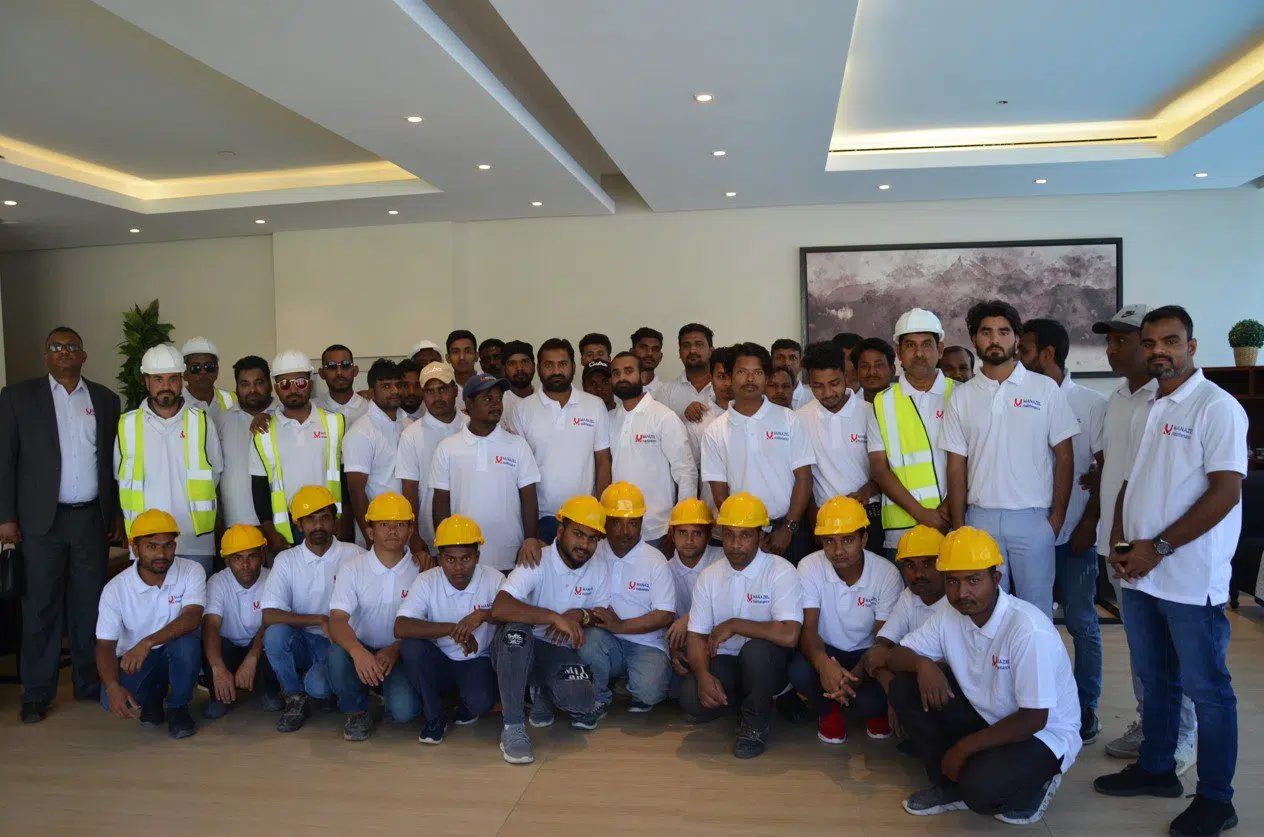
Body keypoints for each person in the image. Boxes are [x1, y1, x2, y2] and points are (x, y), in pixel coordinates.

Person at [1093, 306, 1246, 837]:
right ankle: (1157, 769)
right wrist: (1120, 541)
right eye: (1151, 342)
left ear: (1192, 346)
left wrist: (1156, 548)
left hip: (1189, 578)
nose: (1159, 350)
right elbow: (1128, 483)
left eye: (1171, 341)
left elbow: (1225, 493)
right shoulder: (1147, 406)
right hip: (1142, 572)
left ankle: (1217, 799)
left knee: (1208, 691)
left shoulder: (1216, 407)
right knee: (1155, 679)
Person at [876, 527, 1080, 825]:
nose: (962, 593)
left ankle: (1039, 782)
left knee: (981, 791)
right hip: (987, 714)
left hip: (1041, 734)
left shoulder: (1026, 629)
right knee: (904, 687)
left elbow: (1035, 718)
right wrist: (923, 665)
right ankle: (947, 786)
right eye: (953, 581)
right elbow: (895, 656)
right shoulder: (951, 615)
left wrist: (963, 749)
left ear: (995, 579)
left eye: (973, 580)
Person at [1090, 305, 1197, 771]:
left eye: (1123, 339)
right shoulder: (1116, 399)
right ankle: (1152, 724)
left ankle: (1183, 734)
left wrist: (1152, 544)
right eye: (1109, 340)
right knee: (1143, 649)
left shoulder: (1168, 398)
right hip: (1117, 544)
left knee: (1174, 651)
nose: (1112, 349)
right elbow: (1114, 470)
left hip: (1158, 549)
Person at [0, 325, 121, 722]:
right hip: (40, 524)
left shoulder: (105, 399)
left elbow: (114, 463)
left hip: (90, 520)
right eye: (56, 346)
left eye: (72, 346)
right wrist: (6, 518)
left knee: (89, 606)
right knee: (40, 608)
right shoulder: (17, 398)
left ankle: (89, 682)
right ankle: (37, 693)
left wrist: (115, 514)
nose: (64, 351)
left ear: (83, 355)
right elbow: (5, 461)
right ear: (46, 355)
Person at [940, 300, 1078, 617]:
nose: (995, 339)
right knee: (986, 612)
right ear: (975, 339)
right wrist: (960, 527)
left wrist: (1055, 519)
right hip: (980, 520)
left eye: (1004, 332)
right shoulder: (961, 396)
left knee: (1036, 611)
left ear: (1016, 337)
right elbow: (956, 465)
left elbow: (1065, 457)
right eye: (986, 332)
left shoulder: (1044, 389)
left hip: (1033, 519)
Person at [1019, 317, 1108, 743]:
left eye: (1024, 350)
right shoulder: (1018, 399)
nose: (1018, 357)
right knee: (1030, 624)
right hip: (1026, 535)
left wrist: (1088, 523)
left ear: (1047, 354)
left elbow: (1106, 469)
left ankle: (1085, 706)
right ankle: (1035, 704)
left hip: (1073, 535)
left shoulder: (1091, 404)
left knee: (1081, 622)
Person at [680, 493, 804, 759]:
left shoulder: (781, 571)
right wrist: (702, 676)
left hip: (770, 663)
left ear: (761, 536)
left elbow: (790, 635)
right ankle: (753, 702)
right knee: (691, 697)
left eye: (745, 535)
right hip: (729, 660)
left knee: (755, 653)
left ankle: (754, 725)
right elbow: (696, 635)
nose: (736, 544)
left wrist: (736, 625)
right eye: (729, 535)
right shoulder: (709, 576)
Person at [490, 495, 611, 764]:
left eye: (592, 539)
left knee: (581, 699)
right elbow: (499, 607)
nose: (584, 545)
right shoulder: (537, 559)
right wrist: (552, 617)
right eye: (578, 534)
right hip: (518, 649)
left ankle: (543, 691)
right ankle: (513, 727)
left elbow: (602, 614)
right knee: (516, 631)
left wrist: (582, 615)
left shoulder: (599, 567)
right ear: (560, 531)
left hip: (556, 653)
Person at [790, 496, 903, 746]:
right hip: (827, 651)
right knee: (799, 670)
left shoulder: (886, 574)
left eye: (848, 539)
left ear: (864, 538)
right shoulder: (809, 566)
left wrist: (850, 679)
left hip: (866, 655)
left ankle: (854, 702)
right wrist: (823, 665)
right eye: (829, 541)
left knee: (872, 699)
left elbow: (882, 642)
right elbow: (808, 629)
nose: (838, 550)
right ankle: (830, 709)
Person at [261, 485, 364, 733]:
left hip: (338, 644)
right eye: (310, 519)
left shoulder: (355, 555)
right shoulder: (287, 560)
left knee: (318, 687)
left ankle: (332, 687)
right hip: (303, 640)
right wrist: (318, 620)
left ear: (334, 521)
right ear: (299, 525)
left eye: (324, 518)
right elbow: (269, 614)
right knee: (274, 635)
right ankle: (295, 698)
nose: (318, 526)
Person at [95, 509, 205, 739]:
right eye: (151, 546)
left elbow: (192, 617)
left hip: (171, 650)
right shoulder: (115, 589)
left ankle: (178, 707)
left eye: (167, 545)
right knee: (108, 699)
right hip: (137, 661)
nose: (161, 554)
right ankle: (153, 700)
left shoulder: (191, 570)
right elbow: (105, 644)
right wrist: (112, 687)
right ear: (134, 548)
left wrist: (147, 643)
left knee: (187, 642)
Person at [115, 344, 224, 575]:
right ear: (146, 382)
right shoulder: (127, 425)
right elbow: (121, 476)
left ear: (182, 380)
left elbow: (215, 472)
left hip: (195, 539)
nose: (166, 386)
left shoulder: (202, 421)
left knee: (196, 596)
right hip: (146, 540)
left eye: (172, 379)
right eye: (158, 379)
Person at [701, 342, 815, 564]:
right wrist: (747, 532)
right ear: (730, 377)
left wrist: (788, 528)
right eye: (742, 372)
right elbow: (720, 494)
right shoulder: (715, 430)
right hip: (742, 533)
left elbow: (804, 478)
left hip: (788, 531)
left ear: (767, 377)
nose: (750, 379)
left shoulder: (789, 420)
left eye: (758, 373)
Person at [396, 515, 501, 745]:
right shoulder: (427, 580)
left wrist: (482, 615)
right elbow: (401, 626)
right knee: (412, 647)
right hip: (440, 660)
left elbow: (514, 615)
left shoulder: (494, 579)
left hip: (476, 660)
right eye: (450, 559)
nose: (458, 568)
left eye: (466, 558)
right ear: (439, 558)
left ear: (477, 557)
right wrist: (453, 629)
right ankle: (435, 717)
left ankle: (463, 702)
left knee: (480, 703)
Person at [325, 492, 421, 740]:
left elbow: (425, 624)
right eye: (384, 524)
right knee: (334, 659)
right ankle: (356, 711)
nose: (392, 531)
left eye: (400, 524)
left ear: (410, 531)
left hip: (400, 652)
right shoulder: (353, 568)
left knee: (404, 713)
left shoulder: (421, 569)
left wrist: (396, 648)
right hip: (362, 646)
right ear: (370, 532)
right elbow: (337, 619)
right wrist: (358, 652)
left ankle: (378, 689)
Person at [578, 483, 675, 719]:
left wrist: (620, 626)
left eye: (632, 523)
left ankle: (626, 681)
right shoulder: (592, 552)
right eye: (617, 522)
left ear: (641, 522)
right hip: (604, 639)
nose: (625, 531)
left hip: (646, 643)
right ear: (604, 522)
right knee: (588, 643)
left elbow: (665, 614)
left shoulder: (655, 560)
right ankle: (599, 696)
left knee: (649, 692)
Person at [430, 373, 543, 571]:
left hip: (511, 556)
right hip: (464, 559)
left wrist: (530, 538)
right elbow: (440, 503)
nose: (496, 405)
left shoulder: (517, 445)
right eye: (488, 399)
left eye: (499, 399)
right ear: (469, 403)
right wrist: (446, 547)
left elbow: (529, 499)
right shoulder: (447, 447)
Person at [868, 309, 954, 561]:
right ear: (898, 352)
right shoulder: (881, 403)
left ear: (940, 349)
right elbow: (879, 469)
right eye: (910, 345)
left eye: (926, 344)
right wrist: (923, 514)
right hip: (901, 530)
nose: (919, 353)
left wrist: (948, 508)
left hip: (955, 522)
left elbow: (976, 459)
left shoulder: (961, 394)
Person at [507, 338, 612, 544]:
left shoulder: (594, 405)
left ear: (573, 366)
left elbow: (602, 461)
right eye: (549, 365)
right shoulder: (522, 409)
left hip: (585, 516)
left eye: (562, 364)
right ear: (539, 368)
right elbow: (517, 470)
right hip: (540, 517)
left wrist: (602, 511)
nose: (556, 371)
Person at [851, 525, 951, 735]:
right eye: (909, 565)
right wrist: (892, 694)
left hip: (951, 687)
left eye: (927, 564)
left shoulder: (959, 601)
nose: (918, 574)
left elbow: (959, 668)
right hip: (914, 674)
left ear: (944, 566)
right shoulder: (909, 596)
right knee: (868, 701)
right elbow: (878, 649)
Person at [250, 350, 346, 552]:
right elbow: (259, 488)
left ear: (310, 384)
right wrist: (270, 532)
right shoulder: (263, 432)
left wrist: (344, 520)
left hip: (329, 524)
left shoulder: (334, 423)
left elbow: (345, 476)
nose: (293, 389)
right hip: (286, 530)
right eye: (285, 384)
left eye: (300, 382)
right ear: (276, 388)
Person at [608, 352, 696, 551]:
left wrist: (681, 521)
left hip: (658, 529)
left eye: (628, 371)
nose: (622, 377)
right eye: (616, 373)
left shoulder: (663, 417)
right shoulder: (610, 419)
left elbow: (685, 471)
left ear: (643, 376)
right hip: (618, 528)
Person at [202, 524, 281, 719]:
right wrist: (218, 668)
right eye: (237, 558)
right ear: (227, 561)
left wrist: (252, 657)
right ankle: (219, 692)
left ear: (262, 556)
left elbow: (270, 622)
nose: (245, 565)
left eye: (251, 556)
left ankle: (268, 689)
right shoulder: (217, 582)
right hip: (228, 649)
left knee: (275, 636)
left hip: (259, 649)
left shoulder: (273, 578)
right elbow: (211, 625)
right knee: (209, 643)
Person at [798, 342, 877, 524]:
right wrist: (814, 518)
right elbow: (802, 477)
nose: (827, 393)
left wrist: (865, 492)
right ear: (809, 383)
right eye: (818, 386)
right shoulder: (799, 419)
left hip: (868, 512)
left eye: (834, 383)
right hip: (823, 517)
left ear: (845, 376)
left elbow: (886, 468)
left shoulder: (871, 413)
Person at [396, 362, 467, 557]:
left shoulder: (471, 426)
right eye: (430, 391)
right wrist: (414, 536)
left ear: (455, 390)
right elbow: (409, 489)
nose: (437, 397)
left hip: (471, 531)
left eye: (442, 389)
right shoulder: (411, 435)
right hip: (429, 539)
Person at [342, 359, 412, 548]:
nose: (395, 391)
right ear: (372, 392)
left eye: (398, 385)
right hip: (377, 533)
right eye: (386, 386)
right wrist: (370, 537)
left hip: (406, 528)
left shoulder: (409, 424)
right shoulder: (361, 431)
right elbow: (356, 490)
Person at [663, 498, 724, 678]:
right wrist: (672, 649)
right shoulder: (664, 569)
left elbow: (730, 604)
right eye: (683, 532)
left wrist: (689, 619)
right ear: (672, 534)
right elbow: (661, 619)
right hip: (685, 644)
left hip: (724, 643)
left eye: (697, 533)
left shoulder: (723, 560)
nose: (689, 540)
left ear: (708, 535)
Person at [219, 356, 273, 526]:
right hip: (236, 522)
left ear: (270, 384)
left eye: (259, 383)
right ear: (236, 387)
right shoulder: (220, 420)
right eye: (245, 384)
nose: (252, 390)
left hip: (281, 520)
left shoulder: (284, 415)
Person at [685, 346, 734, 515]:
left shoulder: (754, 417)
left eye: (732, 376)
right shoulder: (698, 421)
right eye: (721, 377)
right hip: (712, 516)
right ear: (710, 378)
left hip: (753, 516)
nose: (728, 383)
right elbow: (689, 473)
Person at [656, 323, 715, 419]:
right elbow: (658, 425)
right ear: (680, 353)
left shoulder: (726, 387)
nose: (692, 350)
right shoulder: (666, 392)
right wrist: (683, 416)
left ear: (711, 351)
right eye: (686, 345)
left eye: (699, 344)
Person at [180, 337, 237, 422]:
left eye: (209, 366)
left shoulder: (233, 400)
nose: (203, 372)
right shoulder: (175, 404)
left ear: (216, 371)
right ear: (185, 374)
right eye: (195, 367)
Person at [314, 344, 369, 425]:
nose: (339, 372)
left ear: (355, 371)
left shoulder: (369, 408)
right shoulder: (313, 411)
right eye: (331, 366)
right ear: (322, 373)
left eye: (345, 365)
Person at [501, 339, 536, 430]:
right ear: (504, 369)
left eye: (524, 362)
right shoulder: (499, 404)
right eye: (512, 363)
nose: (519, 368)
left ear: (534, 366)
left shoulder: (546, 399)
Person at [852, 337, 896, 403]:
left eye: (878, 365)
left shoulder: (906, 403)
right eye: (865, 366)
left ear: (892, 370)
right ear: (856, 372)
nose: (872, 372)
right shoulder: (849, 407)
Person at [771, 338, 812, 409]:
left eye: (793, 358)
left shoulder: (813, 400)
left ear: (801, 365)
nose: (786, 363)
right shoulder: (760, 398)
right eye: (780, 357)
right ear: (771, 362)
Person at [630, 326, 665, 395]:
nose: (649, 353)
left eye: (655, 349)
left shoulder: (667, 392)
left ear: (660, 356)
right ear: (631, 352)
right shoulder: (617, 390)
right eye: (643, 347)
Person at [446, 329, 479, 394]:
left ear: (476, 356)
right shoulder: (444, 387)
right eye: (455, 352)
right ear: (448, 358)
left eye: (468, 351)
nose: (462, 357)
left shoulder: (488, 383)